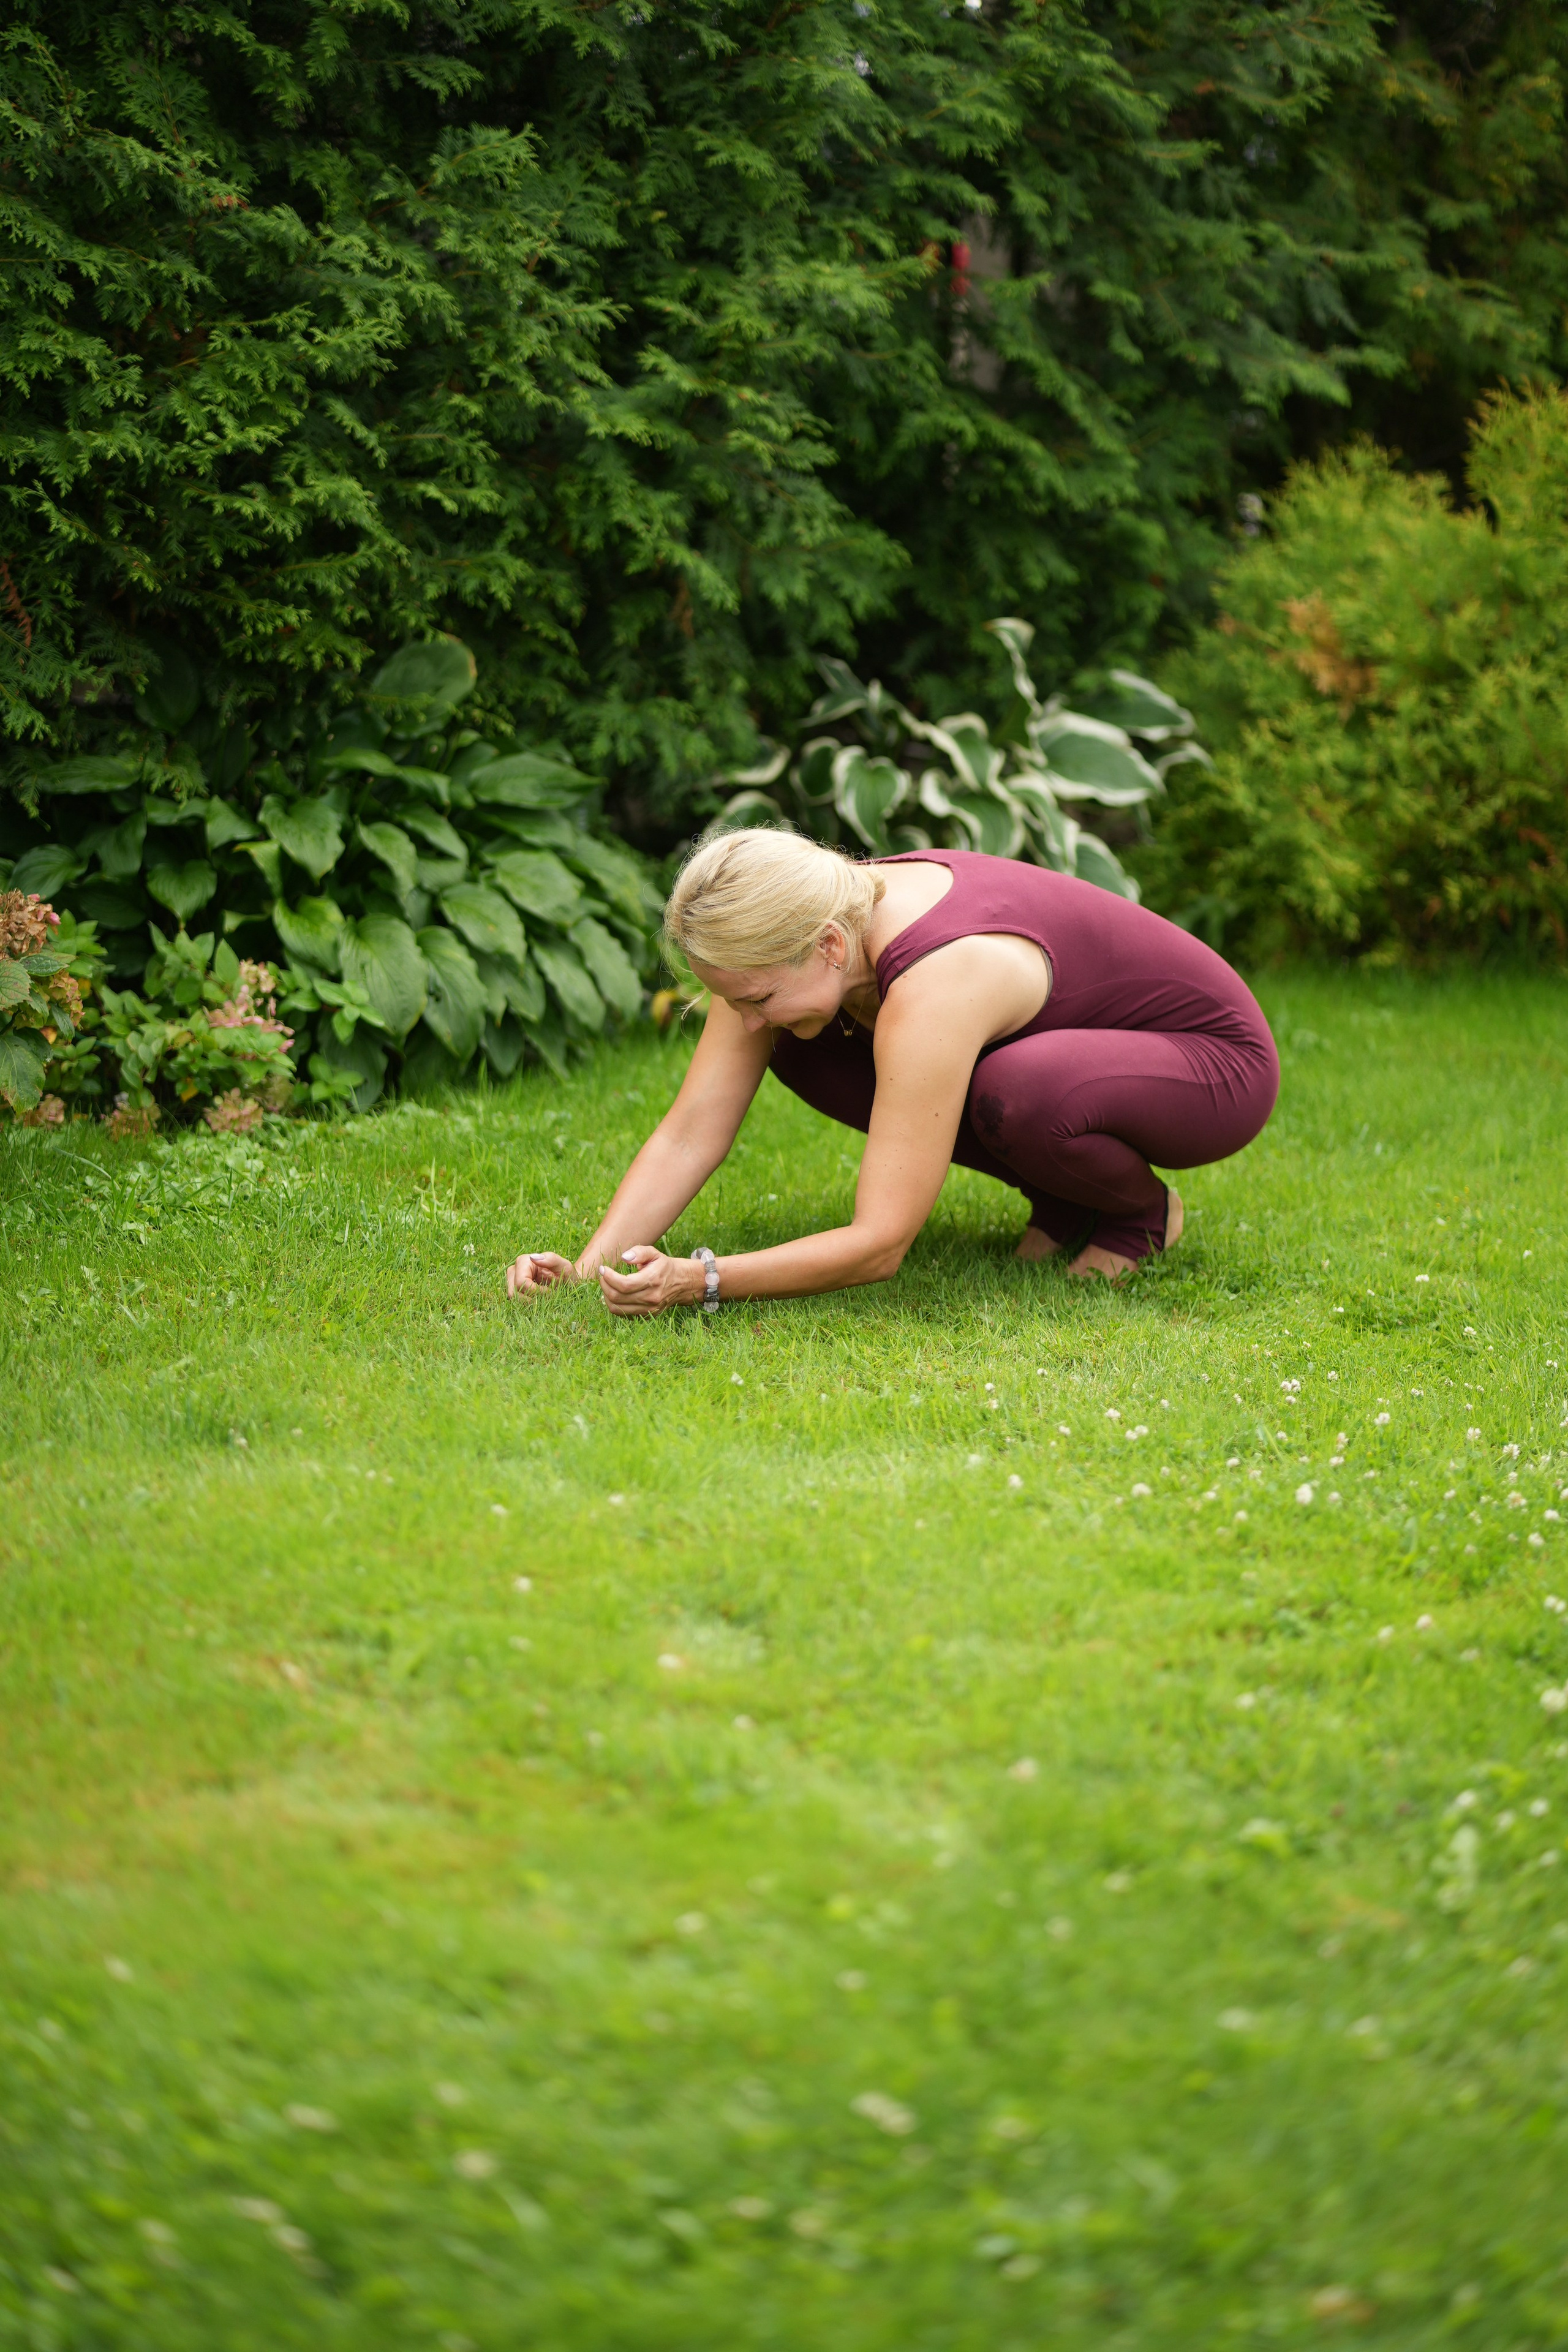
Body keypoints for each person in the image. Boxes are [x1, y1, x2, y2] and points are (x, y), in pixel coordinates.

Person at [504, 829, 1278, 1316]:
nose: (740, 1022)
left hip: (1211, 1068)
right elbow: (689, 1133)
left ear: (831, 949)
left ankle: (1134, 1215)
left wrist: (698, 1281)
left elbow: (880, 1245)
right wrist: (586, 1267)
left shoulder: (934, 979)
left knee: (1023, 1091)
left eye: (755, 997)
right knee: (801, 1041)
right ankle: (1061, 1197)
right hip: (1074, 1055)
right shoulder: (789, 935)